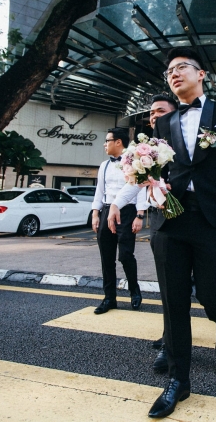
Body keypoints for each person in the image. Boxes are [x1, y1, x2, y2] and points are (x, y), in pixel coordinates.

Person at [144, 47, 216, 418]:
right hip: (170, 220)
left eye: (181, 67)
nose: (174, 74)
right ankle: (179, 381)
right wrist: (153, 188)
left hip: (212, 220)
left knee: (210, 293)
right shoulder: (163, 124)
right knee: (173, 301)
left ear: (201, 73)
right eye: (169, 71)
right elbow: (157, 172)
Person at [111, 94, 179, 375]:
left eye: (160, 111)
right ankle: (170, 342)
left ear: (175, 114)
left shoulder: (188, 141)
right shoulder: (145, 148)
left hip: (195, 220)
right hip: (162, 221)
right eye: (151, 113)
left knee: (206, 291)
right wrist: (116, 204)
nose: (153, 116)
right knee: (169, 285)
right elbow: (137, 181)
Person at [91, 128, 144, 314]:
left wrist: (140, 215)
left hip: (127, 212)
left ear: (118, 142)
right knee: (106, 258)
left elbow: (140, 188)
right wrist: (95, 214)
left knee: (125, 255)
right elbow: (99, 191)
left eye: (107, 141)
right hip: (106, 211)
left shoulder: (134, 161)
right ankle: (109, 298)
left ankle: (134, 291)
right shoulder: (104, 165)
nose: (105, 144)